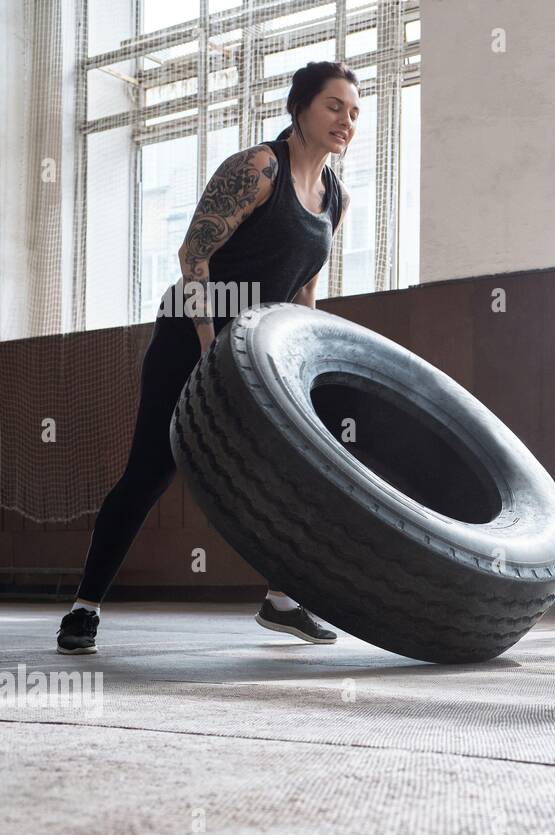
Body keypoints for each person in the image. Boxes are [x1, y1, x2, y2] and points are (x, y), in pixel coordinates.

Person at [57, 61, 358, 655]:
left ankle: (282, 600)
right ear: (299, 107)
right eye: (332, 106)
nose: (345, 121)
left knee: (292, 470)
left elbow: (305, 286)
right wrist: (207, 342)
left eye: (353, 112)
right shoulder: (257, 168)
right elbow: (193, 254)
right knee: (151, 470)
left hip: (262, 349)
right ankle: (84, 607)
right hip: (191, 334)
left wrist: (306, 353)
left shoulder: (335, 199)